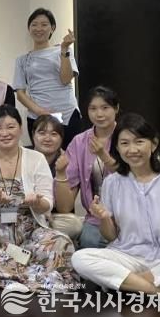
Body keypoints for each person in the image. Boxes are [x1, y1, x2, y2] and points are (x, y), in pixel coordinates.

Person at [0, 105, 79, 292]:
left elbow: (47, 204)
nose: (5, 133)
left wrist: (36, 203)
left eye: (10, 127)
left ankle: (9, 276)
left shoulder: (36, 159)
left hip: (30, 231)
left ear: (21, 129)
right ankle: (33, 276)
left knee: (60, 241)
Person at [72, 113, 160, 306]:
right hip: (127, 256)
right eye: (124, 143)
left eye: (139, 142)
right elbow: (111, 237)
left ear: (153, 144)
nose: (132, 150)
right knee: (80, 258)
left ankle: (127, 283)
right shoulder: (112, 183)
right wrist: (104, 218)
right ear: (117, 148)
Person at [56, 86, 119, 249]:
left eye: (105, 107)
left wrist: (104, 155)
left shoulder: (127, 136)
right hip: (96, 218)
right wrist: (61, 174)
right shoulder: (79, 142)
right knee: (89, 242)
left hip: (128, 216)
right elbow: (66, 204)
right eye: (93, 108)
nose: (99, 114)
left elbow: (133, 175)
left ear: (116, 108)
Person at [13, 8, 81, 148]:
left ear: (52, 28)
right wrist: (40, 111)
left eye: (44, 24)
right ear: (29, 28)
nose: (39, 28)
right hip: (37, 117)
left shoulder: (64, 50)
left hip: (67, 114)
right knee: (41, 157)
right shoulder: (22, 60)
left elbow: (66, 79)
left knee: (70, 156)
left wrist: (64, 49)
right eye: (34, 24)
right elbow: (20, 94)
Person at [32, 115, 83, 240]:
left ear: (61, 138)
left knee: (74, 224)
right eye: (42, 133)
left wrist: (61, 173)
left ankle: (40, 233)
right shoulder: (23, 156)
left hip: (55, 217)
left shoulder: (69, 162)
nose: (47, 138)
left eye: (54, 134)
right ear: (33, 135)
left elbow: (65, 208)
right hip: (27, 212)